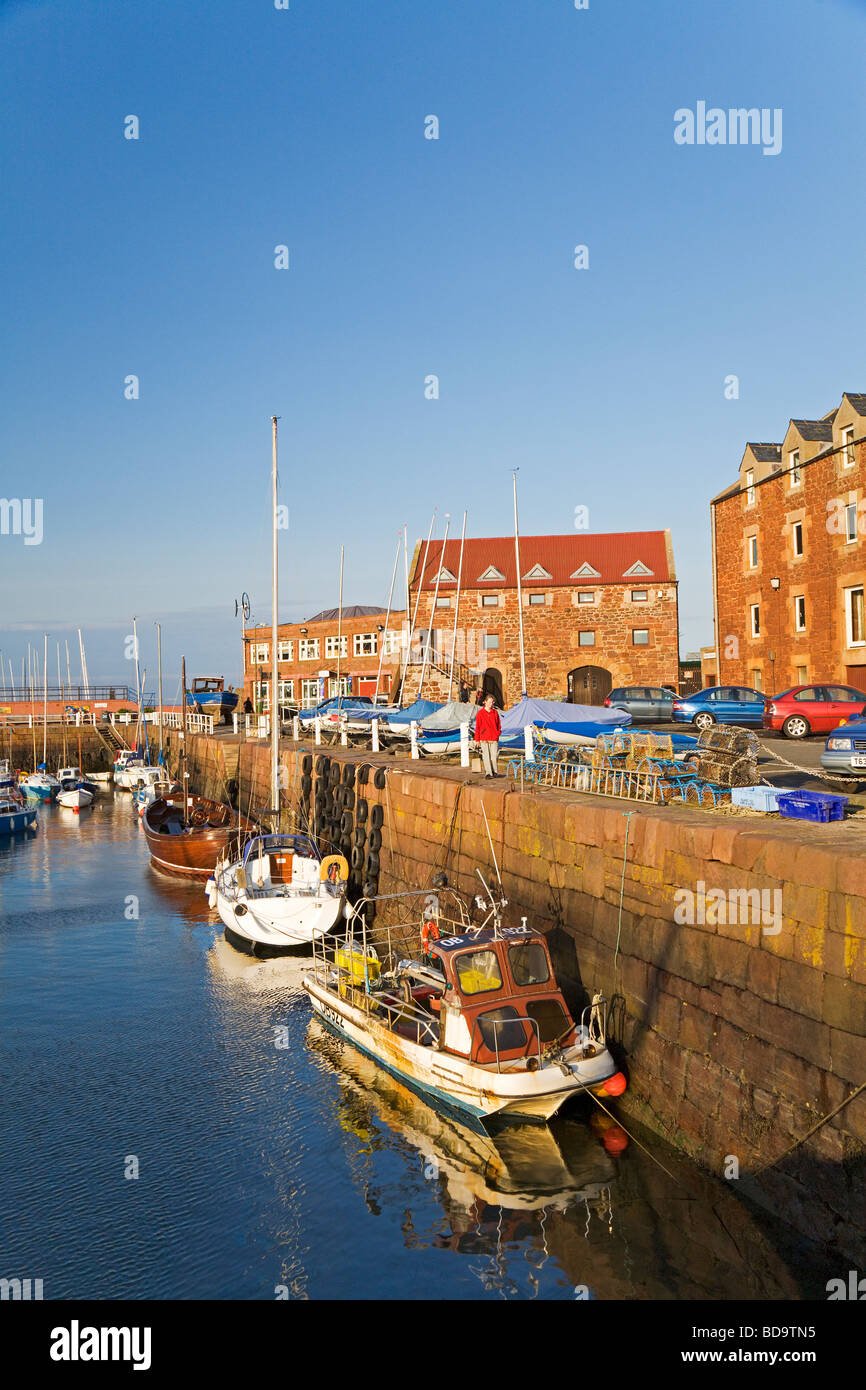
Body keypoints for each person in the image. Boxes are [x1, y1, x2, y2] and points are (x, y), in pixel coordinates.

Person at [475, 693, 501, 778]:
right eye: (489, 702)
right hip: (484, 738)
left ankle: (495, 771)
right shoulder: (480, 713)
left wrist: (497, 734)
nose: (491, 704)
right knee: (486, 756)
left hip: (494, 738)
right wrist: (477, 740)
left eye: (492, 702)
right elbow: (478, 727)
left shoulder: (495, 713)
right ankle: (488, 773)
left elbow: (498, 725)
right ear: (485, 702)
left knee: (494, 756)